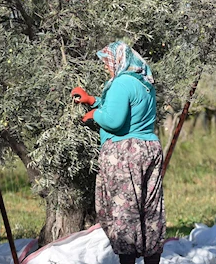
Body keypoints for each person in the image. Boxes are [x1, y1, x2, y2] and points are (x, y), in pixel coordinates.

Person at [71, 41, 165, 264]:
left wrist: (94, 115)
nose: (106, 67)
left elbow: (114, 120)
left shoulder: (120, 83)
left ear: (118, 60)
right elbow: (124, 108)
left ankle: (127, 260)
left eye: (107, 62)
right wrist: (93, 100)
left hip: (124, 153)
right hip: (149, 148)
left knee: (124, 211)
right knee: (150, 210)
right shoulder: (144, 83)